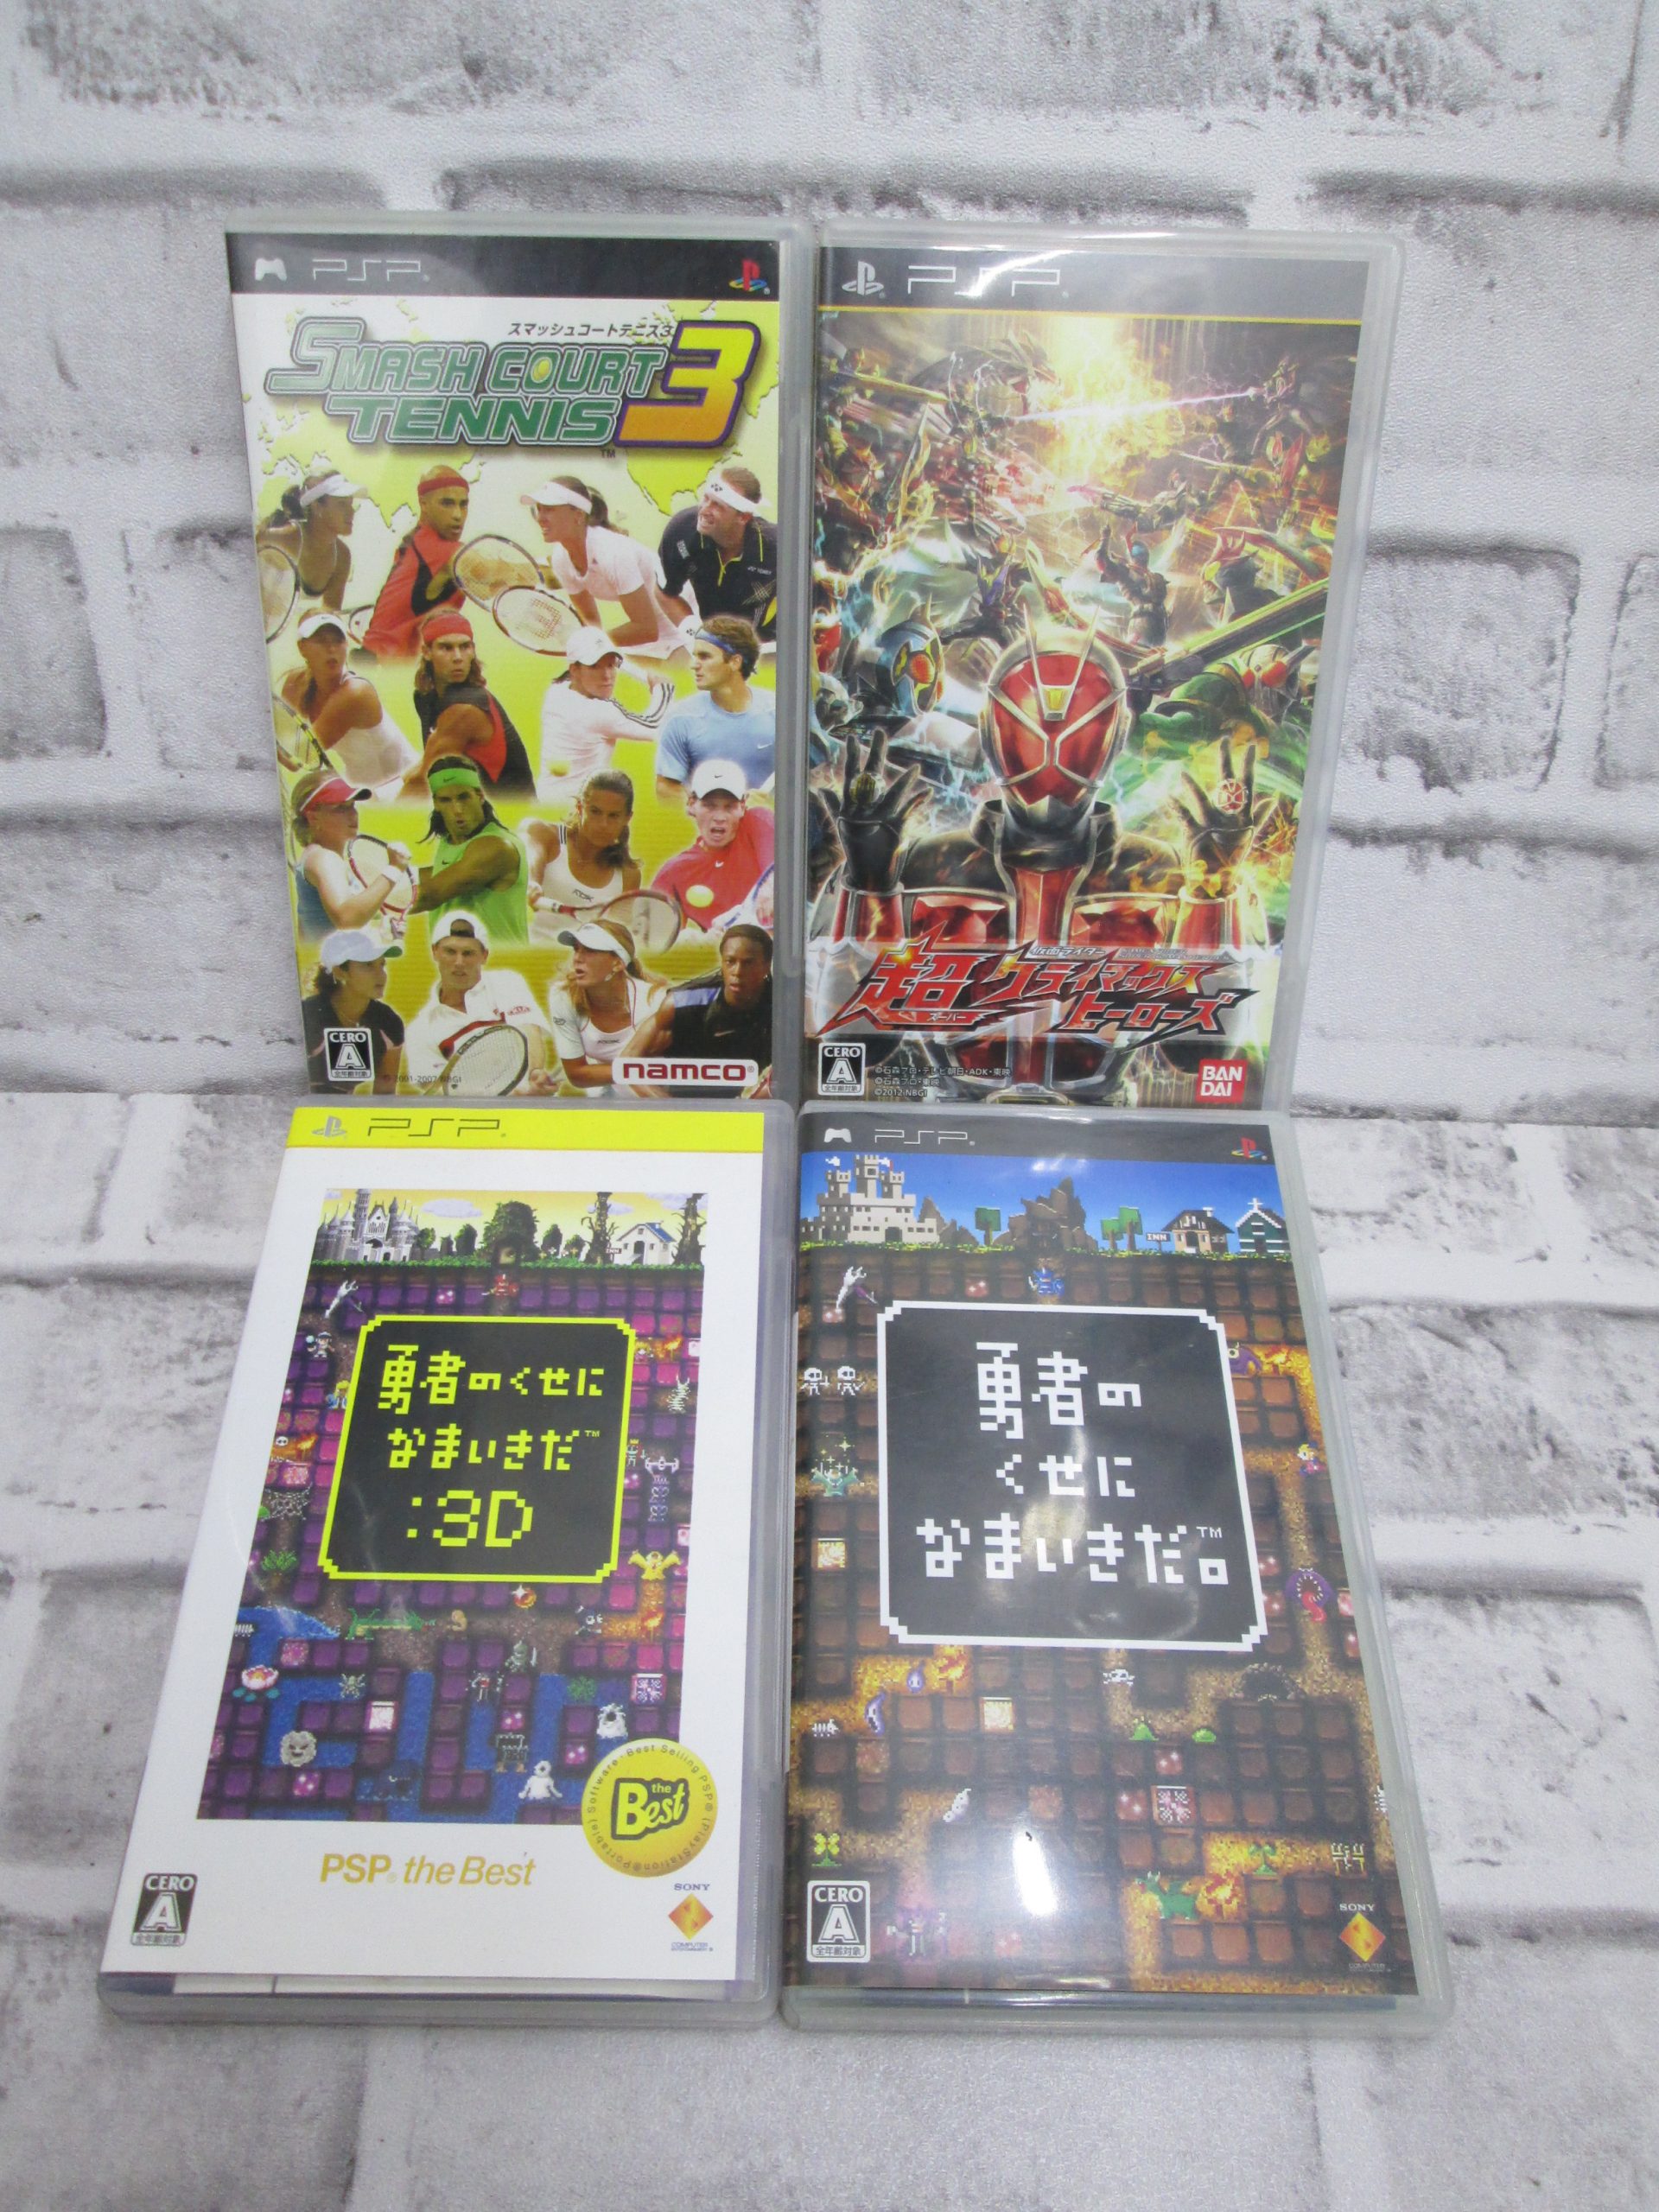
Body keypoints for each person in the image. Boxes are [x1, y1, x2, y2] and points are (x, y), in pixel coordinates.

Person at [520, 475, 684, 656]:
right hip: (651, 632)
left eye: (549, 510)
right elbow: (591, 620)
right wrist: (589, 645)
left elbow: (646, 630)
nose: (540, 518)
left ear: (578, 516)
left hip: (685, 620)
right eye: (539, 509)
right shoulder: (561, 558)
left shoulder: (613, 552)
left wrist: (592, 643)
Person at [401, 912, 550, 1090]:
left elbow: (530, 1034)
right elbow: (438, 1092)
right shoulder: (418, 1030)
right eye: (450, 952)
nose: (459, 962)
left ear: (484, 956)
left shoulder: (508, 981)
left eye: (468, 953)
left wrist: (534, 1077)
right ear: (435, 952)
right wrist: (510, 1096)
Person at [279, 611, 418, 797]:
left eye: (338, 641)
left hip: (404, 787)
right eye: (321, 641)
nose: (331, 649)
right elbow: (283, 740)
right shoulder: (295, 683)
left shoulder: (355, 693)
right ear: (302, 647)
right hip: (362, 790)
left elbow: (296, 759)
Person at [624, 922, 772, 1095]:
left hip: (749, 1103)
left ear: (766, 965)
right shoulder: (683, 1004)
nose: (737, 972)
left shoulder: (784, 1007)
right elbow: (629, 1061)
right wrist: (671, 1107)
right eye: (730, 962)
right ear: (722, 963)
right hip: (683, 1099)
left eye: (748, 963)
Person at [407, 609, 534, 798]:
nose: (458, 657)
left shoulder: (465, 709)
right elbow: (429, 763)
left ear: (473, 650)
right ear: (426, 652)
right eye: (446, 648)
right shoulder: (425, 697)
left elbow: (423, 786)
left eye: (465, 647)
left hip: (507, 813)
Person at [537, 625, 671, 801]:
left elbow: (575, 673)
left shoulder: (557, 690)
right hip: (574, 809)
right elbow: (658, 726)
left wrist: (607, 662)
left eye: (610, 665)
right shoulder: (599, 713)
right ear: (575, 670)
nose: (607, 676)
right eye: (595, 667)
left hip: (545, 800)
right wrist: (663, 688)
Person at [532, 918, 664, 1094]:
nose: (577, 958)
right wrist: (629, 1070)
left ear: (617, 963)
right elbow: (577, 1075)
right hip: (611, 1094)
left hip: (661, 1095)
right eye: (576, 949)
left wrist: (595, 1072)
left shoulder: (656, 1001)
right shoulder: (562, 995)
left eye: (590, 951)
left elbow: (672, 1070)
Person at [653, 615, 775, 804]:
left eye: (704, 656)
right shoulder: (680, 718)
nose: (693, 665)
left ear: (735, 662)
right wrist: (716, 807)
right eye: (695, 656)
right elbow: (665, 788)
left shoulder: (778, 711)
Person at [410, 755, 531, 944]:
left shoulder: (498, 846)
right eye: (446, 800)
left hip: (502, 961)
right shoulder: (451, 842)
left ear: (480, 795)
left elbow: (430, 895)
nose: (457, 809)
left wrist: (369, 903)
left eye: (463, 797)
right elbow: (439, 875)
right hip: (462, 960)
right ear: (436, 804)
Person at [651, 760, 774, 932]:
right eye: (710, 806)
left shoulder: (759, 821)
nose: (719, 817)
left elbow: (782, 875)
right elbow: (657, 938)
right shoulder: (672, 873)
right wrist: (702, 941)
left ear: (742, 806)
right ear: (692, 804)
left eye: (729, 807)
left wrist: (770, 888)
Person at [288, 770, 411, 942]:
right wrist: (394, 869)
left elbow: (325, 932)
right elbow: (347, 919)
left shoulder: (316, 856)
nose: (353, 814)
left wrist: (379, 933)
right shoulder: (323, 858)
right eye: (341, 808)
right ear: (313, 817)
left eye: (352, 806)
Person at [362, 464, 469, 659]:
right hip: (383, 664)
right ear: (424, 504)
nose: (457, 515)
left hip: (383, 660)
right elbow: (505, 573)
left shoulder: (417, 541)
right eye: (447, 503)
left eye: (463, 504)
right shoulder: (441, 550)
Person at [658, 465, 778, 638]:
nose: (704, 510)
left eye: (717, 505)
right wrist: (695, 632)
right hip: (709, 631)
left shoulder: (776, 547)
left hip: (764, 637)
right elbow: (664, 592)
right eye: (706, 498)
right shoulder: (681, 531)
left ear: (743, 517)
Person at [525, 771, 641, 942]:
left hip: (578, 958)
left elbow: (617, 936)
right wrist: (532, 882)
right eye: (595, 812)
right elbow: (531, 857)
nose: (603, 824)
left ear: (627, 818)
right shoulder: (543, 834)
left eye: (613, 816)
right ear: (580, 808)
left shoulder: (629, 875)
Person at [302, 930, 404, 1092]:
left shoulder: (388, 1022)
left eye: (382, 964)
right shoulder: (308, 1016)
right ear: (340, 972)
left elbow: (385, 1094)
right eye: (368, 965)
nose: (381, 975)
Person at [257, 468, 365, 608]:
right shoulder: (282, 539)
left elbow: (330, 614)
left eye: (350, 504)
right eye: (342, 504)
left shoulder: (342, 557)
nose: (351, 511)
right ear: (317, 506)